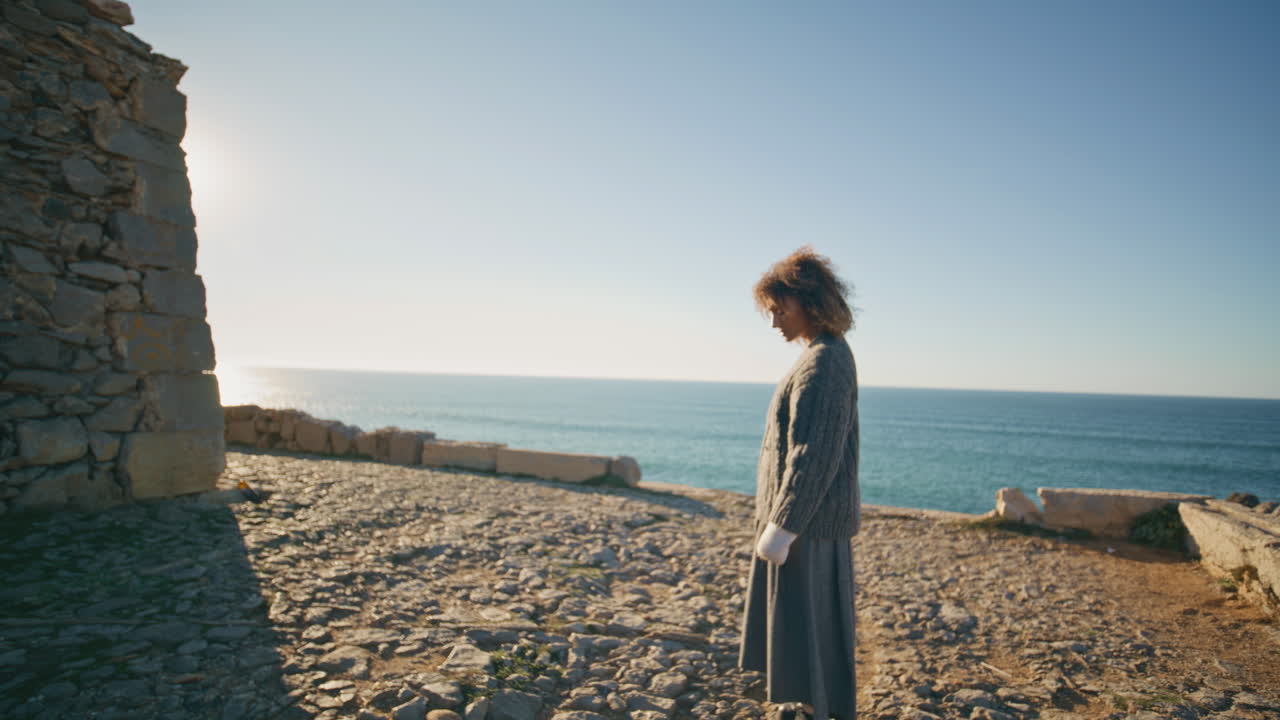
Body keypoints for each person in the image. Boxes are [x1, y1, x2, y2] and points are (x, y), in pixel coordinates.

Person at [739, 246, 860, 720]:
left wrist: (782, 527)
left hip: (807, 528)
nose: (774, 323)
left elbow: (815, 453)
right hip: (804, 524)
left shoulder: (825, 361)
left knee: (814, 636)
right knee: (801, 633)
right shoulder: (819, 356)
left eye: (779, 310)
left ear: (809, 302)